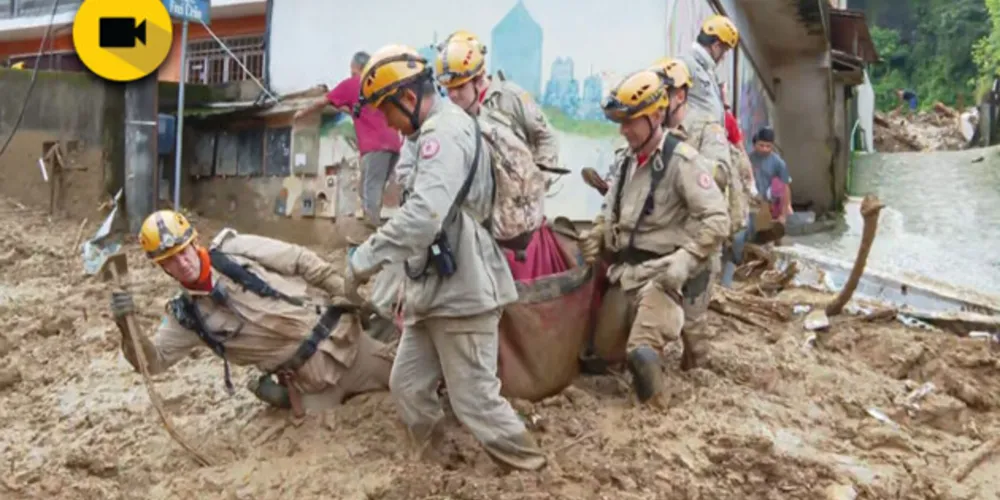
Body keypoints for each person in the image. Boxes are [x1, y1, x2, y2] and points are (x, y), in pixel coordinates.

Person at [344, 44, 546, 471]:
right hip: (431, 289)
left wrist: (365, 257)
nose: (386, 121)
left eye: (387, 110)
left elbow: (423, 216)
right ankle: (437, 465)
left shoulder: (445, 133)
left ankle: (529, 469)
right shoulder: (427, 133)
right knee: (408, 386)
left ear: (410, 98)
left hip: (464, 288)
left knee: (474, 399)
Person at [107, 210, 393, 416]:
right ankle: (280, 395)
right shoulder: (186, 317)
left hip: (345, 345)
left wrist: (350, 297)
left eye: (183, 251)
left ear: (195, 244)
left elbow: (301, 261)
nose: (181, 263)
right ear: (162, 268)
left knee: (406, 382)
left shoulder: (235, 250)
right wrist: (126, 327)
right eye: (170, 260)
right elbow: (153, 362)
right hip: (310, 382)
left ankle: (380, 331)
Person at [580, 69, 729, 406]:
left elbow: (718, 219)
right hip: (626, 275)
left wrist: (687, 258)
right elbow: (609, 211)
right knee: (600, 353)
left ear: (656, 115)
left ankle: (657, 409)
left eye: (631, 121)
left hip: (663, 275)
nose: (624, 130)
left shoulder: (682, 161)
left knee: (641, 354)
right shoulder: (625, 162)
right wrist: (598, 233)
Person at [294, 51, 403, 237]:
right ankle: (376, 228)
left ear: (357, 69)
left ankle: (373, 237)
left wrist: (302, 112)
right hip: (393, 145)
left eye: (352, 71)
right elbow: (357, 110)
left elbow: (323, 100)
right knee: (367, 188)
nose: (351, 74)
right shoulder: (379, 85)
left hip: (375, 147)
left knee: (371, 190)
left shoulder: (354, 83)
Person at [434, 30, 560, 174]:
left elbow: (546, 138)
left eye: (460, 87)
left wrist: (538, 180)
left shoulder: (513, 98)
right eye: (448, 89)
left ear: (479, 79)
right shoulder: (448, 115)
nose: (453, 95)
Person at [683, 15, 739, 122]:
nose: (723, 58)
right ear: (716, 46)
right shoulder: (686, 64)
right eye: (725, 51)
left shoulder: (708, 72)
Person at [749, 126, 792, 226]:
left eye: (768, 146)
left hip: (773, 204)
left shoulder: (779, 163)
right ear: (755, 144)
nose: (764, 149)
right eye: (761, 145)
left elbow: (786, 188)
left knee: (776, 231)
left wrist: (784, 214)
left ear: (772, 146)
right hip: (754, 203)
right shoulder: (748, 159)